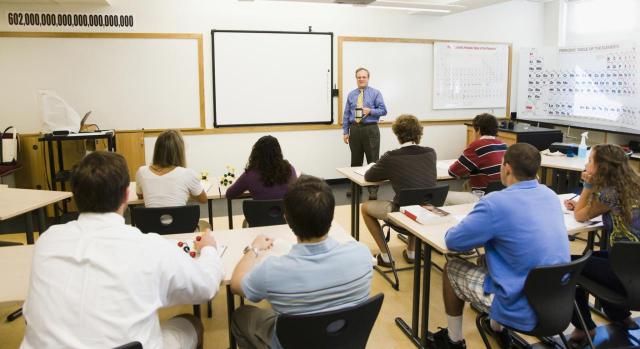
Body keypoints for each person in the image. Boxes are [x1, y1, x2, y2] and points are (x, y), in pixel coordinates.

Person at [21, 151, 224, 349]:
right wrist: (209, 250)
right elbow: (205, 287)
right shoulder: (149, 247)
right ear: (127, 194)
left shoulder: (48, 241)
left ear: (75, 195)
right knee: (191, 324)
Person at [433, 143, 570, 349]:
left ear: (506, 168)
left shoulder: (495, 203)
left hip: (520, 306)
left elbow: (454, 241)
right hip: (557, 300)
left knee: (451, 269)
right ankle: (497, 328)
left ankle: (453, 340)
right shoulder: (550, 195)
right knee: (485, 259)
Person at [230, 175, 373, 349]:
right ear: (331, 216)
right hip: (344, 343)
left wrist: (253, 249)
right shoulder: (362, 254)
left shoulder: (272, 271)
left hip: (291, 343)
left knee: (240, 316)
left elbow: (236, 285)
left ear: (287, 219)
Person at [564, 144, 640, 346]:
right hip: (633, 267)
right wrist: (586, 202)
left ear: (602, 167)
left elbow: (580, 215)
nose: (587, 164)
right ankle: (621, 316)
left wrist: (587, 187)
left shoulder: (610, 194)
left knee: (568, 265)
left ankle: (584, 326)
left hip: (626, 276)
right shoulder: (634, 185)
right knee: (594, 256)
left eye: (590, 160)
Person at [362, 114, 437, 267]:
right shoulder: (431, 153)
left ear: (397, 135)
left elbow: (369, 176)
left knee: (365, 208)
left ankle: (385, 256)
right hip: (428, 212)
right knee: (418, 197)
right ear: (419, 133)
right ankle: (411, 252)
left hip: (403, 214)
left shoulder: (391, 157)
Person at [342, 67, 387, 200]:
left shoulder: (375, 93)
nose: (361, 79)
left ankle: (373, 190)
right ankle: (355, 187)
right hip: (355, 129)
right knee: (355, 160)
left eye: (364, 77)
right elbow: (346, 114)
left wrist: (370, 111)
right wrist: (345, 131)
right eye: (359, 77)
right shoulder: (351, 94)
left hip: (370, 129)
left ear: (368, 78)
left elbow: (383, 110)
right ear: (356, 78)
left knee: (372, 160)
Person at [136, 129, 207, 207]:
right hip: (180, 219)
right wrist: (187, 192)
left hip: (151, 219)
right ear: (179, 151)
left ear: (157, 149)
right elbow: (203, 200)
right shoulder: (188, 174)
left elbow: (140, 196)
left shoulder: (141, 172)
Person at [446, 113, 507, 204]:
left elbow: (453, 172)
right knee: (466, 184)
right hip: (500, 195)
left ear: (478, 130)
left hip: (482, 196)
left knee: (445, 196)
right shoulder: (503, 145)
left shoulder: (477, 146)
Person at [226, 135, 297, 200]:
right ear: (278, 152)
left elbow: (229, 194)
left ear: (256, 153)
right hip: (285, 213)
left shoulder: (249, 175)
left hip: (259, 214)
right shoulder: (289, 169)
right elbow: (296, 192)